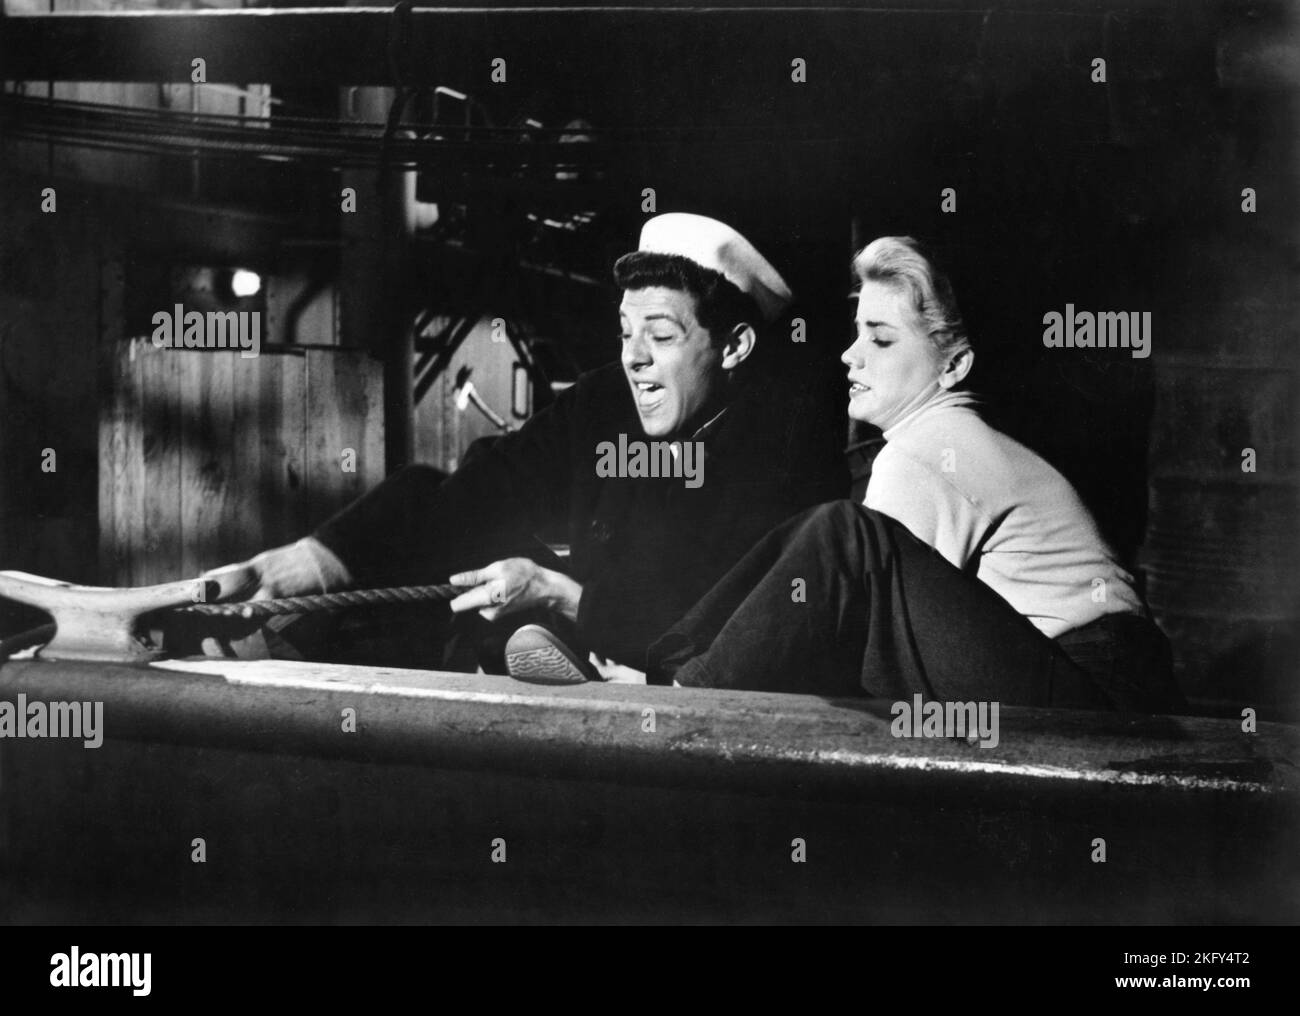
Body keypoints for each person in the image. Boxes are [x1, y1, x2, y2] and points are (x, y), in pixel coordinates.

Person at [202, 213, 849, 677]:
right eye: (625, 332)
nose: (635, 359)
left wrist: (563, 596)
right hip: (583, 656)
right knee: (427, 491)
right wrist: (307, 565)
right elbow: (485, 486)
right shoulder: (604, 405)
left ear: (735, 347)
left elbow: (734, 626)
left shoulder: (786, 452)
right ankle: (276, 600)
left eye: (661, 335)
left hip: (685, 707)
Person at [636, 236, 1183, 712]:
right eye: (856, 334)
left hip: (1096, 697)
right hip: (1093, 685)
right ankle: (677, 670)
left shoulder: (930, 449)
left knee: (841, 536)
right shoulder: (953, 439)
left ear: (953, 366)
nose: (851, 356)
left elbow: (855, 633)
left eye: (881, 338)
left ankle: (682, 686)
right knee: (824, 535)